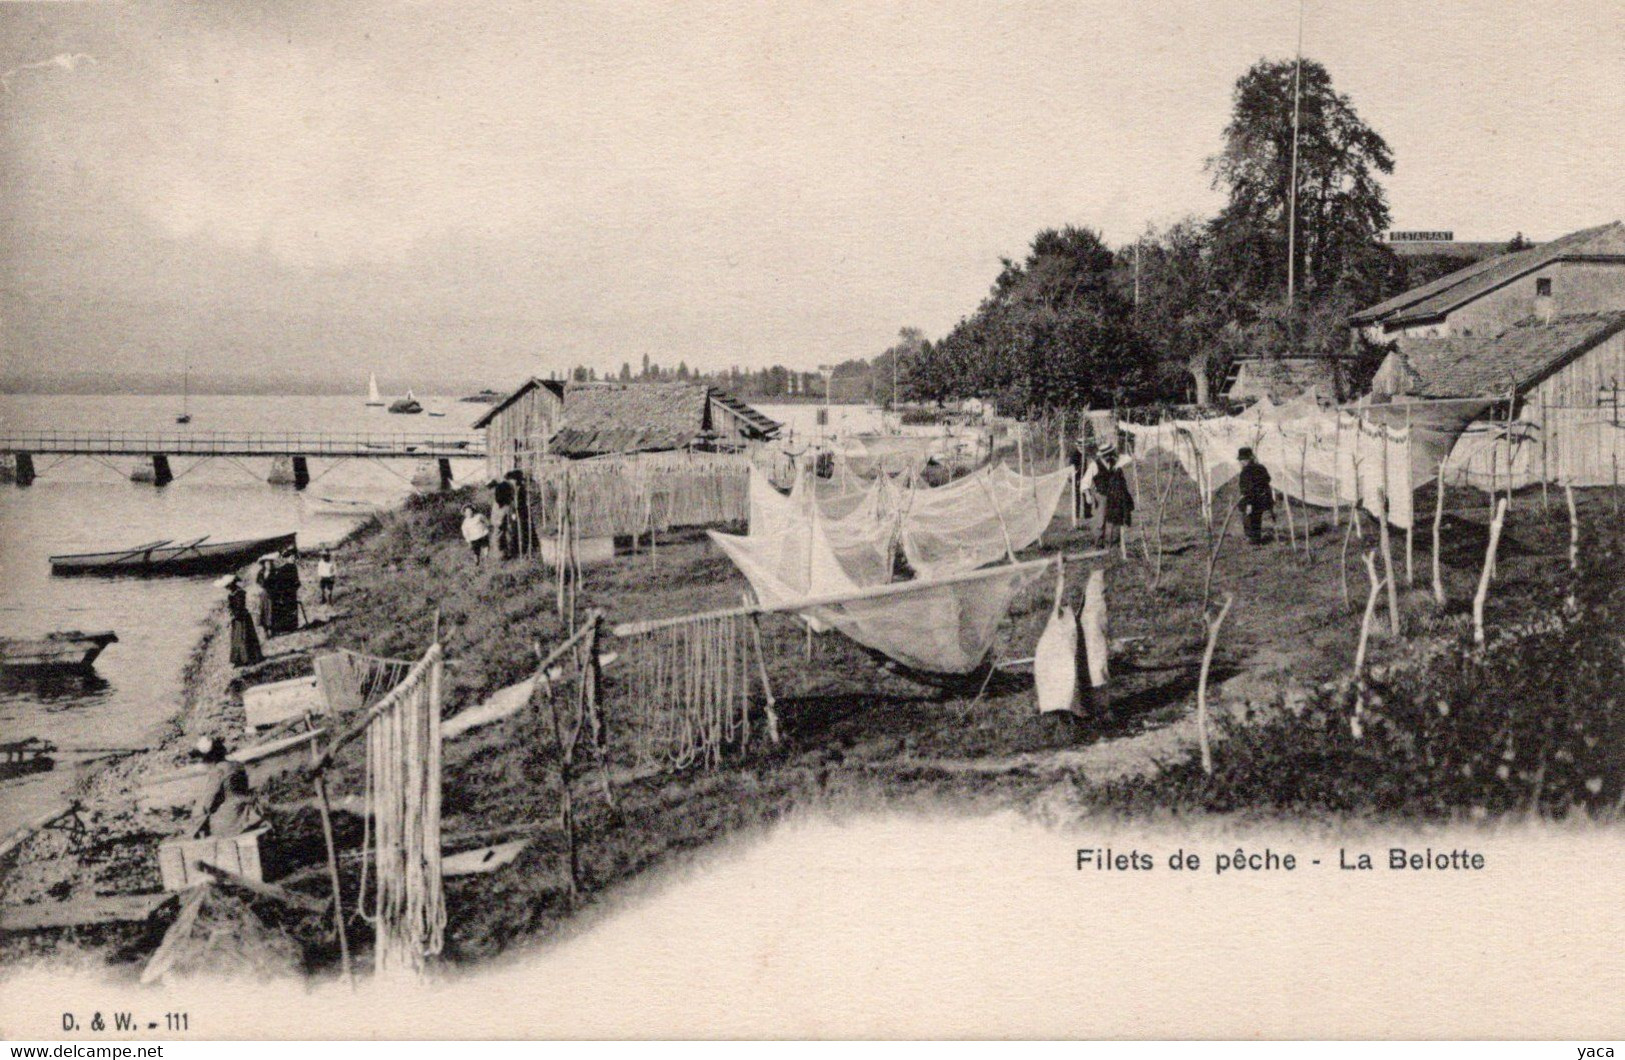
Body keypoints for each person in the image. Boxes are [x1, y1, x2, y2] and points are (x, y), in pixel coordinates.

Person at [187, 736, 264, 839]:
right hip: (247, 812)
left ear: (209, 758)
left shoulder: (217, 771)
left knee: (201, 825)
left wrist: (196, 819)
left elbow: (208, 801)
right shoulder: (238, 765)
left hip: (229, 820)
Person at [1095, 446, 1134, 549]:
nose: (1109, 457)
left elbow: (1128, 458)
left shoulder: (1115, 464)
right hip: (1102, 494)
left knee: (1116, 517)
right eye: (1106, 455)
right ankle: (1099, 544)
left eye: (1110, 455)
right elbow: (1085, 482)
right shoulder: (1095, 465)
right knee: (1102, 519)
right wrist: (1087, 495)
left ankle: (1115, 544)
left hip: (1114, 494)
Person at [221, 575, 262, 667]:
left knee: (244, 638)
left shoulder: (240, 593)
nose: (227, 588)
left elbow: (240, 607)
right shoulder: (231, 594)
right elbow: (231, 607)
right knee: (236, 639)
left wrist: (233, 616)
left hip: (242, 618)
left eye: (228, 586)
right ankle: (239, 660)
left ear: (232, 584)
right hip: (236, 619)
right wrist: (231, 614)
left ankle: (249, 659)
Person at [1237, 446, 1274, 545]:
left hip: (1251, 499)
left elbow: (1247, 489)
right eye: (1241, 460)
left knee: (1249, 518)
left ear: (1249, 459)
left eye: (1243, 459)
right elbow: (1267, 479)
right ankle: (1256, 538)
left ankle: (1252, 540)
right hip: (1261, 498)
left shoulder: (1245, 472)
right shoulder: (1261, 468)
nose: (1242, 462)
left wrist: (1249, 503)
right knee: (1257, 518)